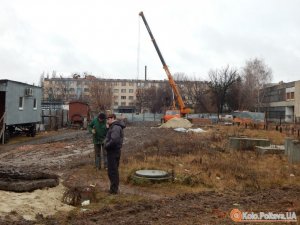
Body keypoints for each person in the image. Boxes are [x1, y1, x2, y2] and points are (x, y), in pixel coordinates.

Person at [104, 114, 126, 194]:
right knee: (113, 170)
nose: (107, 121)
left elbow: (114, 140)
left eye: (108, 119)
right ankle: (114, 188)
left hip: (113, 151)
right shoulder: (114, 126)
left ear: (112, 118)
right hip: (114, 151)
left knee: (112, 171)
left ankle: (113, 190)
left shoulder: (116, 127)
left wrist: (106, 145)